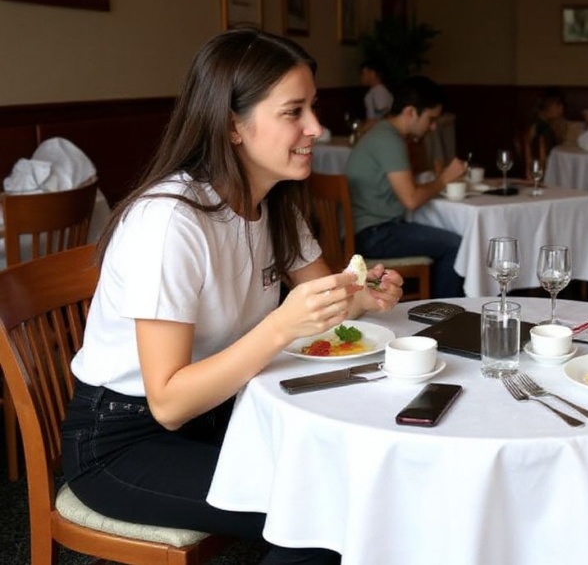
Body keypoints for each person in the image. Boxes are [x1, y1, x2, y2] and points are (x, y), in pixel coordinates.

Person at [61, 28, 404, 565]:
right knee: (325, 509)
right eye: (295, 111)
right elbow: (169, 403)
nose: (316, 127)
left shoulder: (274, 202)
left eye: (313, 108)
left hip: (224, 411)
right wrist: (281, 326)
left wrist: (360, 298)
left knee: (368, 473)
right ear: (232, 125)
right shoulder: (170, 221)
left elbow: (323, 298)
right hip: (124, 442)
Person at [345, 75, 467, 297]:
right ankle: (443, 315)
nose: (432, 127)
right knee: (456, 245)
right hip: (373, 235)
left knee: (449, 240)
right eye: (430, 118)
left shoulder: (381, 133)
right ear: (410, 112)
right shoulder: (389, 139)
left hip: (363, 230)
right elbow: (410, 199)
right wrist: (444, 179)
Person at [527, 86, 568, 158]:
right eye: (558, 105)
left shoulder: (547, 124)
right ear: (547, 105)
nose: (561, 108)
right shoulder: (539, 126)